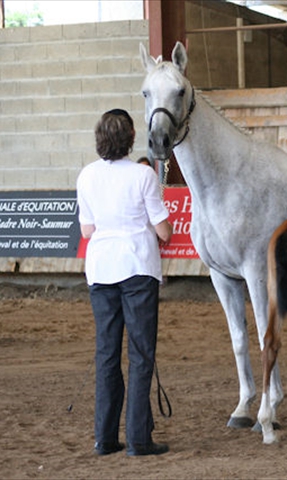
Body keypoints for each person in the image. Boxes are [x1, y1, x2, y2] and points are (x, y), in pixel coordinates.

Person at [76, 108, 173, 457]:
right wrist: (165, 228)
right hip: (137, 267)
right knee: (141, 355)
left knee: (107, 354)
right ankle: (138, 439)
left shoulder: (86, 176)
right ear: (132, 138)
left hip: (100, 270)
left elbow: (87, 231)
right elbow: (163, 230)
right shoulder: (143, 176)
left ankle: (104, 438)